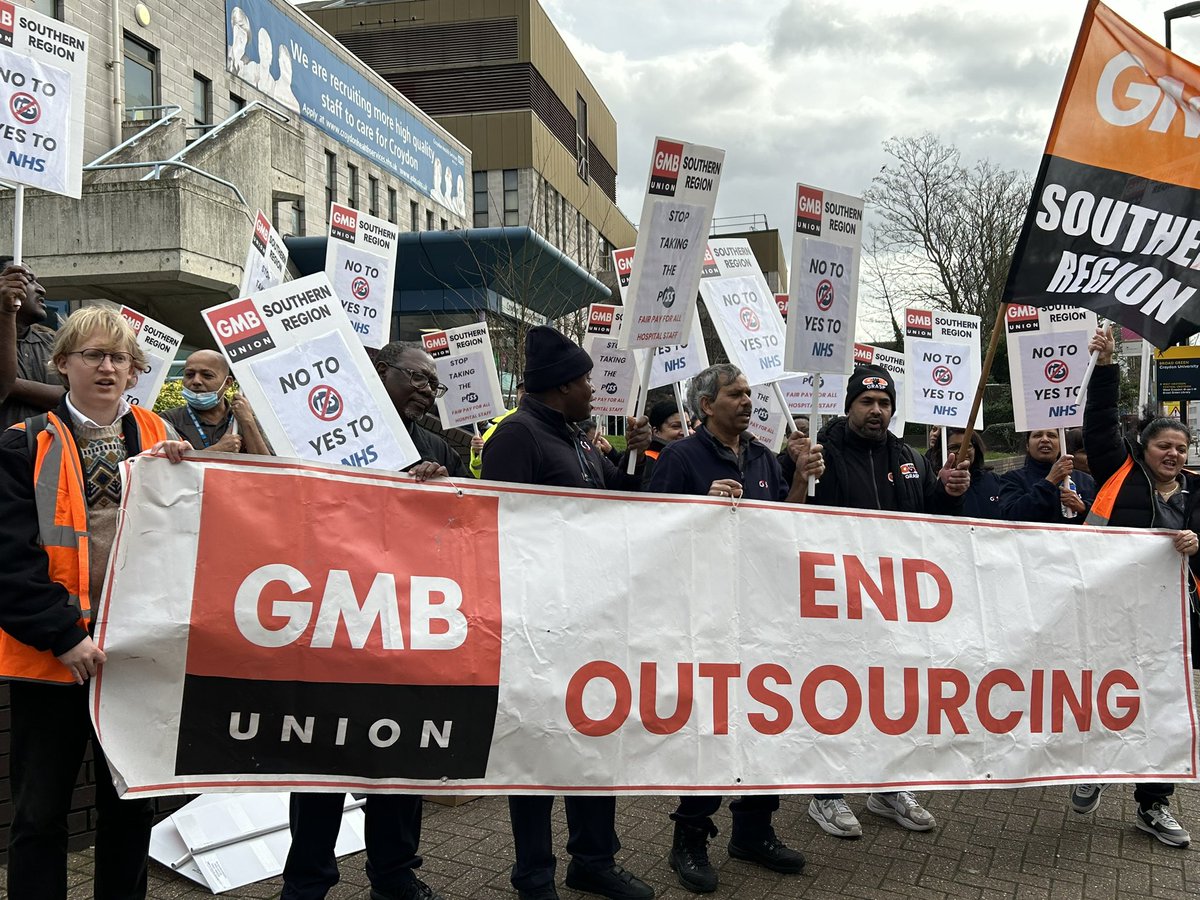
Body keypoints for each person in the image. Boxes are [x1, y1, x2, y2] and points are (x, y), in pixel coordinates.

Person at [0, 306, 189, 900]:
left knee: (131, 812)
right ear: (63, 365)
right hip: (52, 661)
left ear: (135, 371)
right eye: (93, 355)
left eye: (120, 358)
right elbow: (10, 562)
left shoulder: (167, 441)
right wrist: (65, 636)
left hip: (135, 661)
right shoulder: (20, 444)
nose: (108, 367)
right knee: (39, 816)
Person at [282, 341, 462, 900]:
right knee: (323, 764)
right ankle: (308, 881)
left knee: (400, 759)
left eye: (436, 383)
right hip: (333, 621)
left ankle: (394, 873)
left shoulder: (435, 447)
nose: (429, 392)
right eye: (419, 379)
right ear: (381, 373)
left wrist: (440, 496)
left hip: (403, 628)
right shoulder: (315, 440)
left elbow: (458, 532)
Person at [482, 325, 653, 900]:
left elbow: (619, 499)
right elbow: (505, 529)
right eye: (585, 380)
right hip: (539, 622)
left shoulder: (577, 438)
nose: (593, 387)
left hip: (591, 616)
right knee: (536, 748)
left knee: (593, 738)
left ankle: (594, 861)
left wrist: (635, 456)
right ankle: (533, 874)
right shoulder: (517, 436)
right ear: (560, 386)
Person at [647, 364, 821, 893]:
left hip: (763, 614)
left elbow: (783, 530)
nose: (747, 402)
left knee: (766, 724)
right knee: (714, 730)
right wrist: (700, 509)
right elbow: (651, 530)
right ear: (705, 405)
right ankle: (690, 841)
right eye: (735, 394)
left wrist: (795, 482)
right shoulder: (680, 457)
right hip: (707, 615)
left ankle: (754, 831)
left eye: (749, 394)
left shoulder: (765, 456)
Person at [806, 364, 970, 839]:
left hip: (897, 605)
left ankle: (889, 785)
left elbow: (929, 527)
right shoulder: (822, 455)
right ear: (849, 405)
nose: (876, 411)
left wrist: (947, 494)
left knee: (894, 698)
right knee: (834, 695)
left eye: (884, 404)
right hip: (837, 601)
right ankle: (827, 791)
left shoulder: (910, 459)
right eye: (867, 402)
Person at [1067, 325, 1198, 848]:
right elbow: (1098, 422)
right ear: (1143, 448)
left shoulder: (1194, 492)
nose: (1173, 454)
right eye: (1164, 445)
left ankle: (1154, 804)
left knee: (1163, 708)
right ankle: (1093, 767)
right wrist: (1106, 366)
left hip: (1171, 623)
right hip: (1111, 611)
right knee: (1105, 693)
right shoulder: (1117, 473)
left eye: (1181, 447)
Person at [160, 349, 271, 455]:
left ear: (227, 383)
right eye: (189, 374)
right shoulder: (167, 420)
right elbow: (161, 468)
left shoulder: (245, 417)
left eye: (207, 375)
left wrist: (247, 422)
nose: (196, 381)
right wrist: (216, 451)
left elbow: (271, 470)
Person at [0, 262, 65, 430]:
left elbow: (76, 396)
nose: (41, 289)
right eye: (28, 280)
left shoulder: (52, 342)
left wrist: (12, 385)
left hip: (48, 454)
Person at [998, 429, 1095, 524]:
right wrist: (1049, 481)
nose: (1045, 439)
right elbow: (1010, 516)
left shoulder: (1086, 480)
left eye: (1051, 435)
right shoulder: (1012, 479)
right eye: (1037, 435)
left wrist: (1083, 508)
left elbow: (1102, 519)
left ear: (1061, 444)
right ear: (1027, 445)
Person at [926, 428, 1004, 519]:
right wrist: (946, 493)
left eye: (968, 446)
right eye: (954, 448)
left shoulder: (996, 481)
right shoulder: (933, 484)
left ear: (976, 449)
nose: (961, 452)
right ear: (941, 451)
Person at [469, 380, 523, 477]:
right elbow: (479, 473)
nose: (526, 395)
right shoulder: (497, 427)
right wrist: (479, 453)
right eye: (522, 391)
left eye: (530, 391)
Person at [641, 399, 686, 488]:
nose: (685, 432)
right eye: (676, 426)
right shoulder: (647, 461)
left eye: (687, 425)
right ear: (656, 431)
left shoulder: (693, 457)